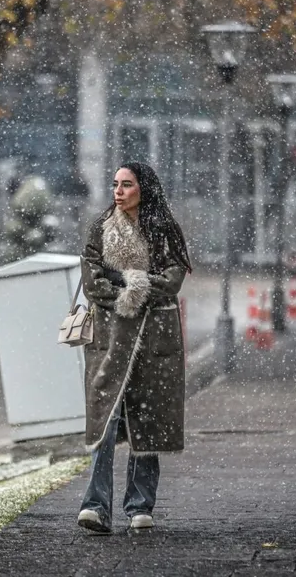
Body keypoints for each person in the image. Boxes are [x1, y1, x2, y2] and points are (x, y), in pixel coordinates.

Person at [77, 161, 192, 533]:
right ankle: (96, 506)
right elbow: (92, 279)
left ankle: (140, 506)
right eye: (115, 185)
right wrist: (126, 291)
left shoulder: (164, 230)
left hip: (154, 339)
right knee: (105, 422)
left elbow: (172, 280)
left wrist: (133, 285)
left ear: (145, 188)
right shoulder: (101, 227)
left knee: (148, 420)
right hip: (109, 340)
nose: (118, 191)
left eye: (126, 185)